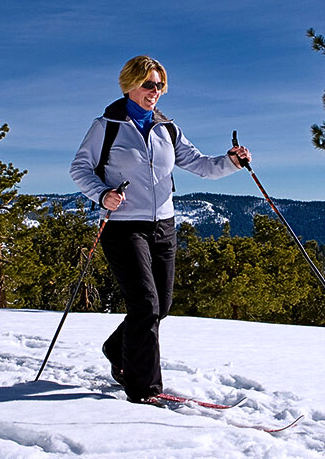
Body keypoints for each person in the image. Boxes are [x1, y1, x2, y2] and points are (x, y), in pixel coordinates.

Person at [70, 56, 251, 405]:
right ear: (130, 85)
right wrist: (101, 194)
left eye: (160, 86)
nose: (156, 92)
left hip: (164, 226)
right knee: (146, 304)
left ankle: (116, 347)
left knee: (161, 305)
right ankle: (143, 389)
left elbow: (199, 164)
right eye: (149, 84)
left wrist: (230, 161)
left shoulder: (167, 128)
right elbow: (80, 168)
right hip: (123, 226)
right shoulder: (106, 126)